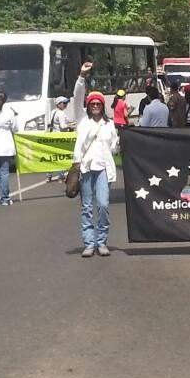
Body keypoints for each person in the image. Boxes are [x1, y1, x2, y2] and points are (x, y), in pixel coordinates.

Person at [74, 91, 121, 258]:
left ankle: (101, 241)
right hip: (86, 168)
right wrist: (81, 76)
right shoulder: (82, 121)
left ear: (102, 106)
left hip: (103, 169)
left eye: (98, 104)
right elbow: (77, 96)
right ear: (88, 106)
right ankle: (89, 243)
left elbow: (114, 148)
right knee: (86, 207)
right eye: (92, 103)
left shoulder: (109, 124)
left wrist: (119, 143)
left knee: (103, 205)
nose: (95, 106)